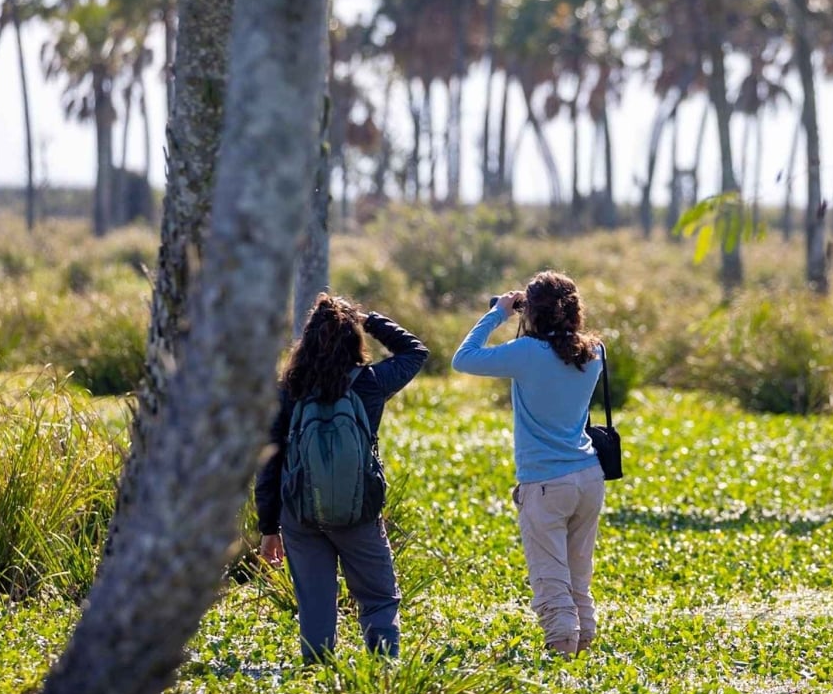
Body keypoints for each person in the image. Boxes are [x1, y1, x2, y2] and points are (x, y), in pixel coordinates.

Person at [255, 294, 428, 663]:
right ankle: (383, 667)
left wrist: (269, 526)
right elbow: (415, 351)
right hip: (357, 511)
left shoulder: (288, 389)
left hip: (299, 513)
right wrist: (369, 320)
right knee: (378, 597)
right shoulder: (370, 383)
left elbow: (269, 461)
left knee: (315, 602)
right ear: (354, 338)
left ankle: (317, 672)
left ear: (306, 341)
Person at [452, 270, 606, 658]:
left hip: (545, 482)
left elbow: (463, 359)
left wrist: (499, 314)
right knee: (578, 574)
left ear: (533, 311)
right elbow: (559, 347)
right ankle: (583, 649)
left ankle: (562, 650)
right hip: (589, 476)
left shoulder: (525, 354)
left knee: (550, 575)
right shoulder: (595, 352)